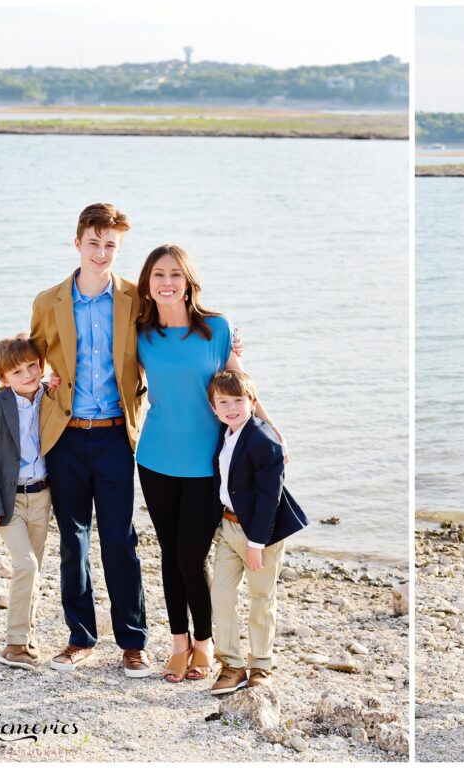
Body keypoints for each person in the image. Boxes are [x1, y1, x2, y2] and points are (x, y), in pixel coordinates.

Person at [131, 243, 282, 683]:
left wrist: (272, 429)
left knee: (191, 555)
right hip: (155, 457)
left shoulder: (216, 330)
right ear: (148, 283)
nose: (167, 282)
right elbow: (110, 372)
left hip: (206, 464)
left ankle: (205, 643)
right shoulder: (140, 335)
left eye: (175, 274)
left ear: (188, 281)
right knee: (168, 555)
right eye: (158, 275)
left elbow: (243, 387)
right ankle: (179, 643)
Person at [30, 203, 150, 677]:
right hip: (65, 438)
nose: (102, 253)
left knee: (121, 541)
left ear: (119, 248)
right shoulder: (48, 301)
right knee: (73, 541)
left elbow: (169, 338)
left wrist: (226, 347)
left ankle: (133, 642)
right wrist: (36, 384)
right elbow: (32, 359)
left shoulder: (136, 299)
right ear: (77, 243)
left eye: (111, 246)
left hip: (117, 437)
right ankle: (80, 638)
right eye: (94, 243)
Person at [207, 369, 308, 695]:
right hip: (229, 526)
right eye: (223, 402)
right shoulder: (226, 433)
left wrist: (256, 543)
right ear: (214, 407)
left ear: (253, 401)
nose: (231, 407)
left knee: (261, 599)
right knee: (220, 596)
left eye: (238, 400)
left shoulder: (264, 441)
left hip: (260, 535)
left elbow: (269, 498)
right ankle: (232, 665)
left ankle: (261, 665)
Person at [0, 334, 52, 670]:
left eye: (32, 366)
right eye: (17, 372)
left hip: (42, 495)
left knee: (34, 567)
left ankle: (27, 635)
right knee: (26, 566)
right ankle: (15, 644)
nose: (27, 375)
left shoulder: (50, 396)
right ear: (4, 379)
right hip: (9, 501)